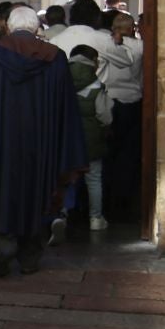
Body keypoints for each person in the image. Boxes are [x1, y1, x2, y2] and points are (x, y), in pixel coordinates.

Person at [0, 5, 88, 278]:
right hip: (41, 141)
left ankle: (2, 245)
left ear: (8, 27)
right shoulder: (55, 58)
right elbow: (65, 107)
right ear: (37, 28)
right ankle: (29, 255)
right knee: (37, 191)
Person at [101, 12, 147, 221]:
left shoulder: (107, 45)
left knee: (109, 153)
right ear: (133, 28)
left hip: (112, 101)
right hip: (134, 100)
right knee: (130, 154)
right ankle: (126, 198)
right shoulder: (140, 47)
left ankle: (108, 199)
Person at [67, 44, 112, 231]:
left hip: (68, 137)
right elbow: (104, 116)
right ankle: (95, 218)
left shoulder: (61, 79)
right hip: (91, 138)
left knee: (67, 177)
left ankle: (62, 213)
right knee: (94, 179)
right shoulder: (95, 85)